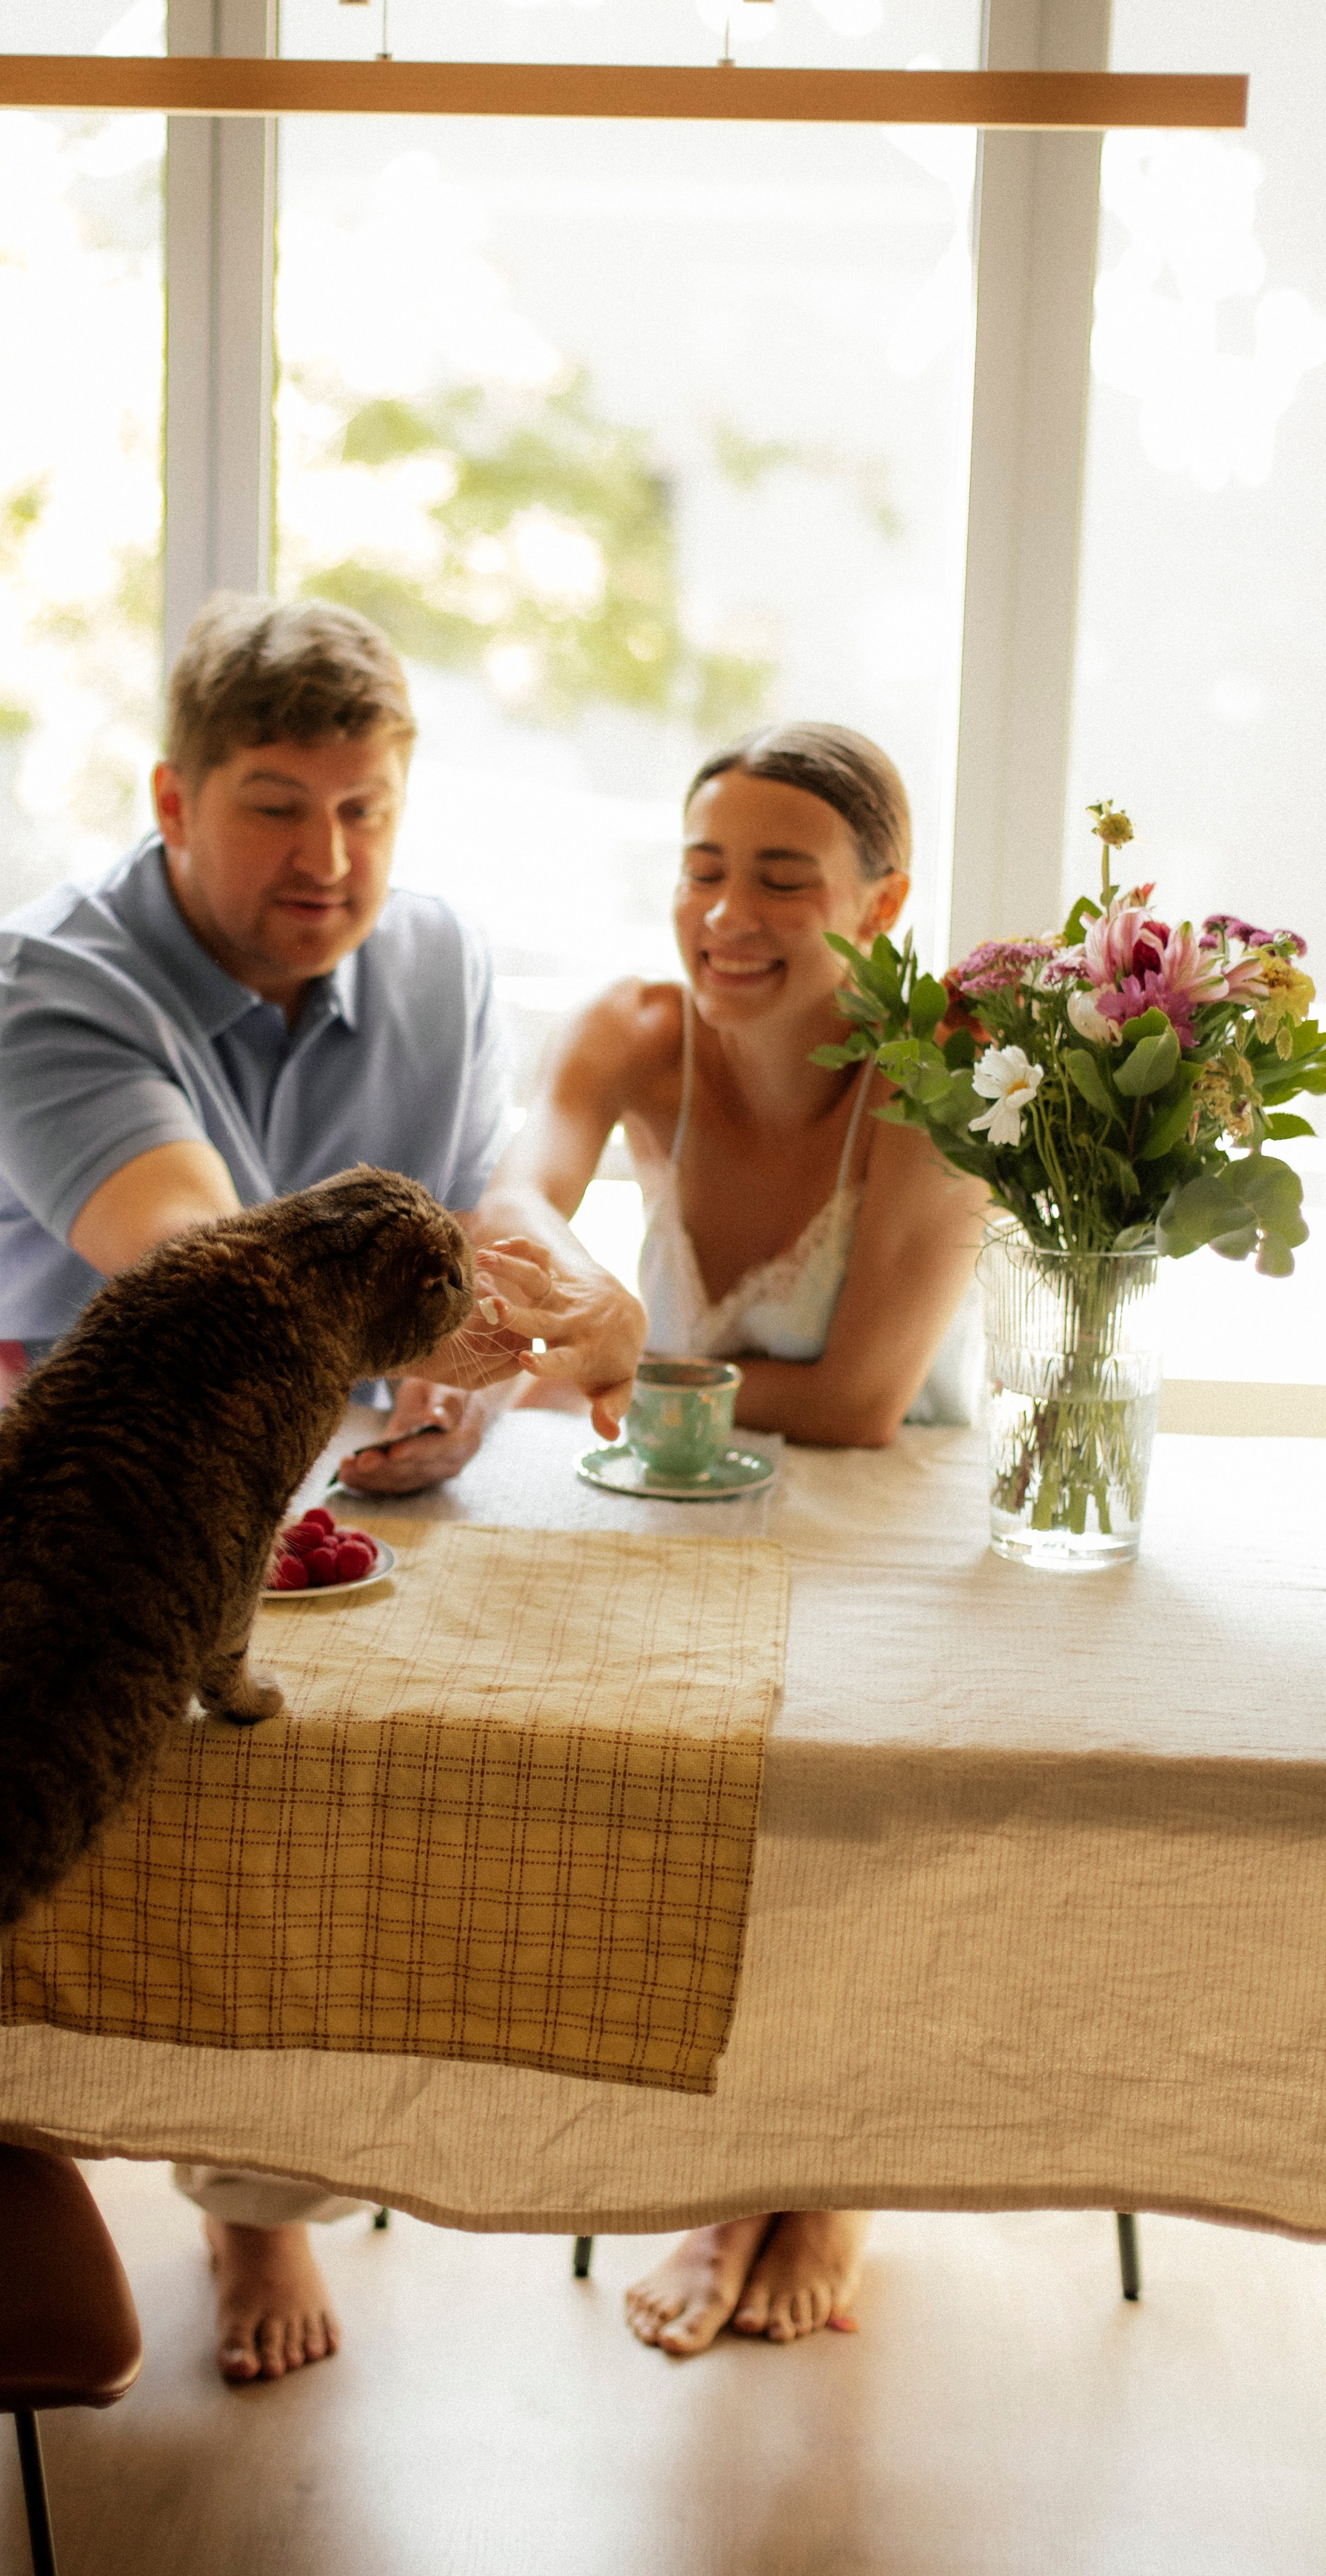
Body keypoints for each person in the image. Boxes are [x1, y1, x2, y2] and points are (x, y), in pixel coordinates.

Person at [0, 591, 644, 2383]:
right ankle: (179, 2191)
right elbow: (197, 1267)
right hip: (46, 1468)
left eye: (366, 807)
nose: (328, 858)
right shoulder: (42, 981)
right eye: (272, 805)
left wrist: (569, 1293)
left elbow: (486, 1194)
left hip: (360, 1458)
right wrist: (436, 1352)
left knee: (475, 1783)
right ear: (170, 800)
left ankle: (286, 2162)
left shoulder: (443, 956)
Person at [492, 719, 987, 2355]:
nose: (728, 913)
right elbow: (514, 1202)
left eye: (783, 878)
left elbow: (853, 1402)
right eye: (705, 870)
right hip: (696, 1513)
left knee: (842, 1797)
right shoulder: (636, 1035)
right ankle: (719, 2159)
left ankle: (822, 2173)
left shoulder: (933, 1086)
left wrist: (622, 1351)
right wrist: (540, 1283)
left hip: (893, 1536)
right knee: (642, 1785)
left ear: (882, 901)